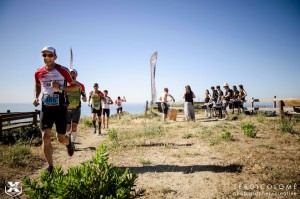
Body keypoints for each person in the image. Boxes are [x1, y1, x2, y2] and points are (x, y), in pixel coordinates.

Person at [33, 46, 79, 173]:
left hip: (60, 108)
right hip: (45, 107)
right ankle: (51, 167)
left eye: (50, 55)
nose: (47, 58)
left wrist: (60, 87)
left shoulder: (62, 70)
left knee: (60, 138)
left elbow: (75, 87)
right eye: (44, 55)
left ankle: (68, 142)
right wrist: (36, 97)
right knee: (45, 136)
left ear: (55, 57)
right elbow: (37, 85)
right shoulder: (38, 72)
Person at [66, 69, 87, 147]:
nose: (72, 74)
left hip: (76, 108)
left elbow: (84, 96)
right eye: (71, 73)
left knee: (74, 126)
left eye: (74, 73)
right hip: (67, 109)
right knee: (67, 128)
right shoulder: (66, 84)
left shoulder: (81, 85)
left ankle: (71, 143)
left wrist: (84, 98)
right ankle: (69, 138)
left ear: (76, 74)